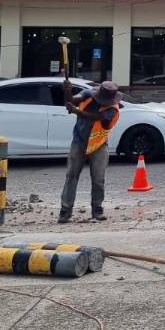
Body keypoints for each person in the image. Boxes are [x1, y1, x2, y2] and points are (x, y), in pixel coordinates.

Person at [58, 77, 121, 223]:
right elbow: (73, 100)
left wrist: (75, 111)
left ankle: (97, 210)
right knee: (71, 176)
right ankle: (65, 211)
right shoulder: (88, 94)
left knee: (98, 179)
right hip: (79, 141)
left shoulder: (113, 108)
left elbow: (97, 117)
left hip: (99, 144)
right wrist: (67, 91)